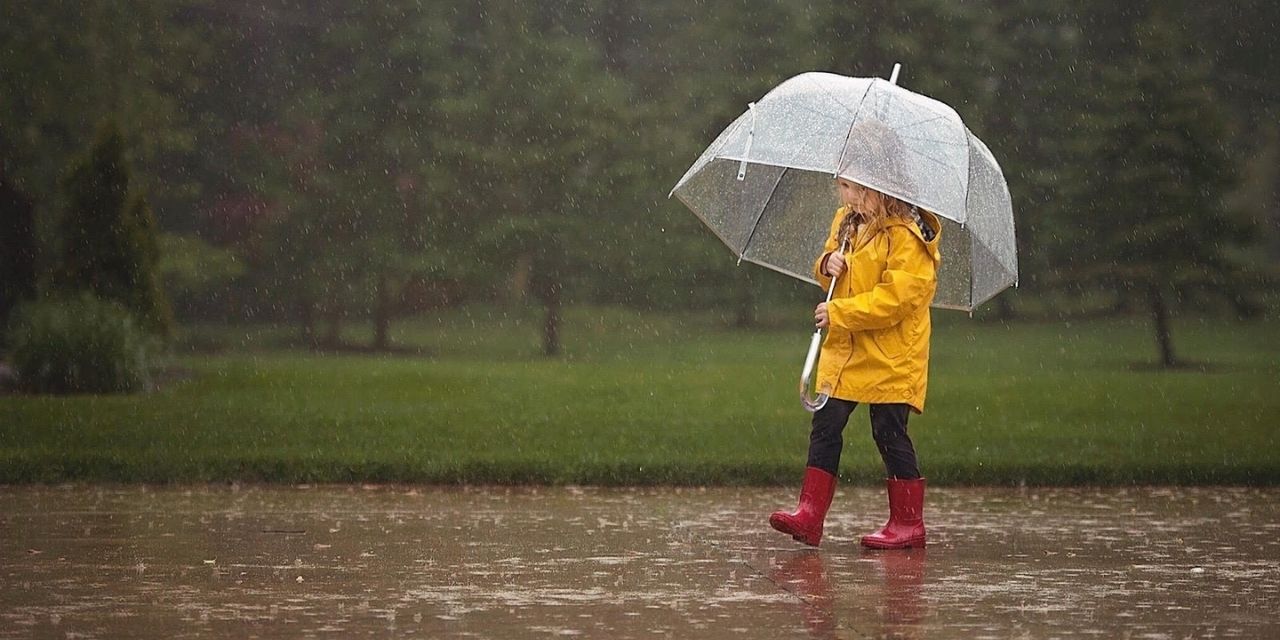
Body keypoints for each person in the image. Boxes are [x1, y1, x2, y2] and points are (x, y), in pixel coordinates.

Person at [769, 177, 942, 549]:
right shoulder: (846, 223)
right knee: (826, 423)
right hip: (846, 349)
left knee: (889, 431)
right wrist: (825, 264)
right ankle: (810, 515)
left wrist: (840, 313)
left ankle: (908, 522)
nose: (846, 195)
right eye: (843, 186)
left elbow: (896, 299)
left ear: (882, 188)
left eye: (855, 188)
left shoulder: (907, 236)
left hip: (893, 353)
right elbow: (832, 278)